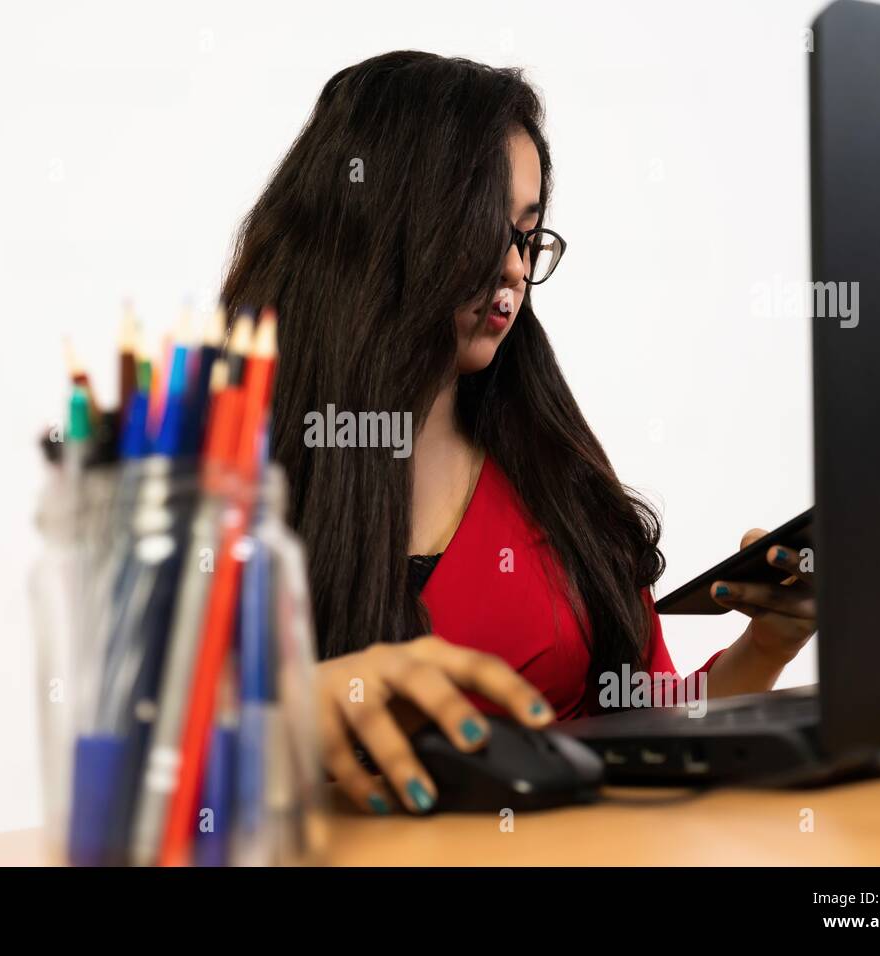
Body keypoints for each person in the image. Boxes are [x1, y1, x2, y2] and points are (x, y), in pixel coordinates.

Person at [219, 52, 815, 815]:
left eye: (527, 237)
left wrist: (764, 647)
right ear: (376, 227)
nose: (514, 271)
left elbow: (650, 734)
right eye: (484, 231)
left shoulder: (555, 479)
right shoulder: (216, 488)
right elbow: (152, 768)